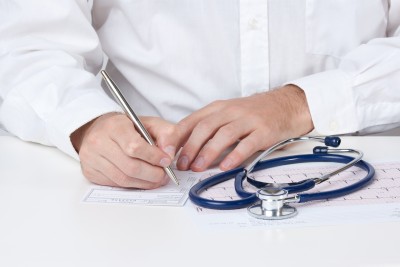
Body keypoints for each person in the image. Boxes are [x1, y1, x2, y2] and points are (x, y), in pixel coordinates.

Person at [1, 1, 399, 189]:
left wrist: (298, 103)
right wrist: (89, 124)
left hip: (357, 170)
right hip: (152, 181)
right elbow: (26, 46)